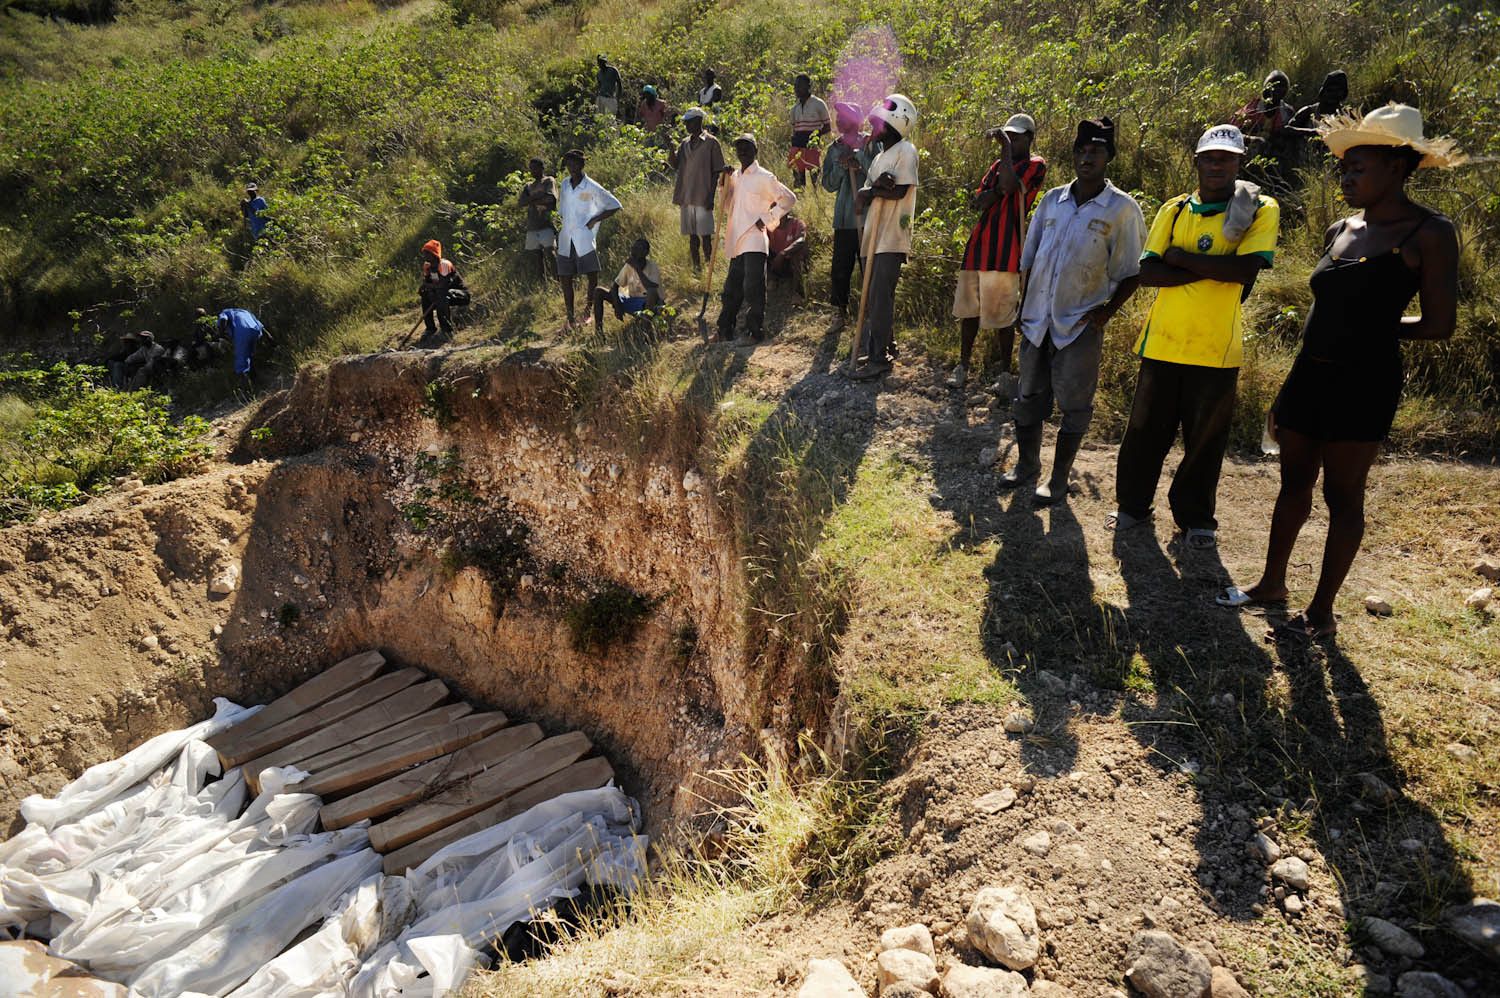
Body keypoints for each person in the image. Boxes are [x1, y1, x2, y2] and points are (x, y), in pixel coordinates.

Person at [1219, 104, 1462, 638]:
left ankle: (1322, 611)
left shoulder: (1429, 233)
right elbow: (1321, 313)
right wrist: (1287, 389)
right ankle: (1271, 584)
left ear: (1397, 167)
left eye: (1358, 168)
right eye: (1344, 168)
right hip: (1309, 376)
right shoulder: (1340, 229)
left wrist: (1372, 330)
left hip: (1366, 382)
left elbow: (1439, 324)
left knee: (1343, 496)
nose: (1346, 178)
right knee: (1292, 484)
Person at [1111, 124, 1280, 548]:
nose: (1217, 165)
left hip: (1215, 347)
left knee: (1205, 441)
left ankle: (1196, 520)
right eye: (1210, 158)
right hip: (1163, 341)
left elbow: (1245, 270)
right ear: (1197, 162)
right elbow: (1149, 273)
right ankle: (1133, 507)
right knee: (1144, 433)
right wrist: (1212, 269)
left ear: (1239, 163)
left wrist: (1181, 258)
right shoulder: (1174, 209)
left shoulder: (1259, 209)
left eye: (1226, 159)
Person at [1004, 117, 1145, 503]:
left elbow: (1133, 271)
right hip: (1037, 319)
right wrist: (1023, 307)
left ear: (1108, 156)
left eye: (1095, 151)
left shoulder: (1121, 210)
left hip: (1079, 324)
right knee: (1028, 396)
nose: (1086, 158)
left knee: (1075, 405)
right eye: (1081, 151)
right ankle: (1027, 466)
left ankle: (1058, 479)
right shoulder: (1053, 200)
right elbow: (1029, 258)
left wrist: (1106, 313)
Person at [948, 112, 1048, 389]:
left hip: (1007, 249)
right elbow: (979, 201)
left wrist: (1001, 180)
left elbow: (1007, 185)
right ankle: (962, 366)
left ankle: (1005, 373)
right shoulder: (997, 166)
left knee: (1003, 314)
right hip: (980, 245)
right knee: (968, 310)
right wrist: (998, 191)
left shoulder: (1035, 165)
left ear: (1030, 138)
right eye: (1007, 137)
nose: (1011, 142)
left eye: (1015, 138)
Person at [850, 94, 920, 381]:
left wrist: (873, 190)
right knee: (873, 296)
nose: (873, 127)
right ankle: (885, 346)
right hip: (873, 236)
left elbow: (899, 191)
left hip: (892, 236)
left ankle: (878, 358)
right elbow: (861, 199)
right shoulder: (879, 158)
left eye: (878, 122)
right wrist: (872, 189)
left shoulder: (906, 151)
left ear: (894, 123)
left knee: (880, 296)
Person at [717, 134, 796, 343]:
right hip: (737, 239)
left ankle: (754, 332)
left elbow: (789, 199)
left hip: (754, 238)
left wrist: (768, 218)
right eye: (739, 147)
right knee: (731, 289)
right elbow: (726, 206)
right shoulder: (735, 176)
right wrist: (723, 183)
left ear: (755, 151)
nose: (742, 151)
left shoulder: (764, 177)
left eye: (747, 147)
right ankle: (724, 330)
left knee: (753, 287)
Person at [820, 101, 877, 329]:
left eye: (843, 117)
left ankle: (871, 314)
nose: (838, 121)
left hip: (866, 218)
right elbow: (828, 184)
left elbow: (877, 172)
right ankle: (840, 313)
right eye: (837, 116)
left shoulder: (870, 143)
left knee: (868, 267)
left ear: (855, 121)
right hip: (844, 220)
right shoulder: (834, 149)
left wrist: (858, 158)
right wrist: (842, 165)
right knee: (840, 268)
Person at [557, 150, 622, 330]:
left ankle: (588, 311)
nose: (572, 167)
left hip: (584, 237)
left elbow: (615, 205)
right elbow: (563, 210)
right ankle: (570, 317)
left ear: (582, 165)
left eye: (575, 163)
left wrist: (594, 220)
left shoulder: (591, 186)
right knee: (565, 278)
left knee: (591, 274)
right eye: (569, 164)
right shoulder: (564, 184)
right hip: (566, 237)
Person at [668, 108, 726, 271]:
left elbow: (716, 172)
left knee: (705, 236)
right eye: (685, 122)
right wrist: (670, 147)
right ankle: (696, 268)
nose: (686, 125)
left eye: (689, 122)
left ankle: (709, 269)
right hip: (686, 196)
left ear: (699, 121)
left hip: (702, 195)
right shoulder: (685, 143)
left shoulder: (711, 142)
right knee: (692, 237)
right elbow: (675, 165)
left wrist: (710, 197)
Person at [1233, 70, 1298, 192]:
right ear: (1264, 87)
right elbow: (1233, 133)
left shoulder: (1287, 112)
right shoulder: (1252, 109)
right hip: (1249, 150)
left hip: (1274, 153)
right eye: (1271, 85)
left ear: (1286, 91)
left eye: (1281, 87)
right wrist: (1252, 139)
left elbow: (1290, 137)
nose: (1275, 90)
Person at [592, 238, 663, 332]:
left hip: (649, 304)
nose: (633, 251)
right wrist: (617, 305)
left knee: (651, 292)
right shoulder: (629, 266)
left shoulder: (652, 266)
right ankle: (599, 332)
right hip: (633, 301)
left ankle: (646, 330)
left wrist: (637, 268)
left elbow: (651, 287)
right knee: (598, 291)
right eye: (633, 248)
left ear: (645, 252)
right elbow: (615, 287)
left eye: (637, 249)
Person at [788, 74, 831, 189]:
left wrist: (814, 136)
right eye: (795, 86)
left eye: (800, 85)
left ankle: (817, 198)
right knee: (798, 178)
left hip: (812, 146)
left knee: (815, 178)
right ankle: (800, 198)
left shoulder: (818, 104)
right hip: (798, 146)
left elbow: (828, 126)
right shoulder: (794, 108)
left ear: (808, 86)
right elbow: (794, 129)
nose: (797, 89)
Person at [519, 158, 558, 283]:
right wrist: (538, 196)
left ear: (542, 168)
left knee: (551, 253)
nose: (533, 171)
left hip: (546, 223)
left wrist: (531, 199)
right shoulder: (529, 185)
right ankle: (542, 282)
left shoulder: (548, 180)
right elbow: (521, 202)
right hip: (532, 225)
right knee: (536, 256)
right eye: (531, 168)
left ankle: (558, 280)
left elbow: (551, 199)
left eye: (535, 168)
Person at [418, 239, 466, 339]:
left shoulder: (444, 264)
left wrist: (428, 286)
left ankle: (447, 330)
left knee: (442, 296)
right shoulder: (427, 266)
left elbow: (442, 286)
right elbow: (427, 283)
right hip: (442, 293)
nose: (425, 256)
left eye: (427, 253)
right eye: (424, 253)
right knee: (425, 297)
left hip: (459, 295)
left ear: (434, 254)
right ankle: (430, 328)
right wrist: (425, 289)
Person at [214, 307, 269, 390]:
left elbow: (223, 320)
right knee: (250, 356)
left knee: (241, 362)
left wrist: (220, 335)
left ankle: (247, 389)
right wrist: (270, 339)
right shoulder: (244, 311)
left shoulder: (224, 312)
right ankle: (257, 381)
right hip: (256, 331)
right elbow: (260, 325)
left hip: (242, 333)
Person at [767, 207, 808, 303]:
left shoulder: (797, 224)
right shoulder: (770, 226)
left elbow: (801, 239)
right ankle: (772, 279)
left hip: (790, 261)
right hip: (775, 261)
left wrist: (783, 253)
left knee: (797, 255)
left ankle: (797, 293)